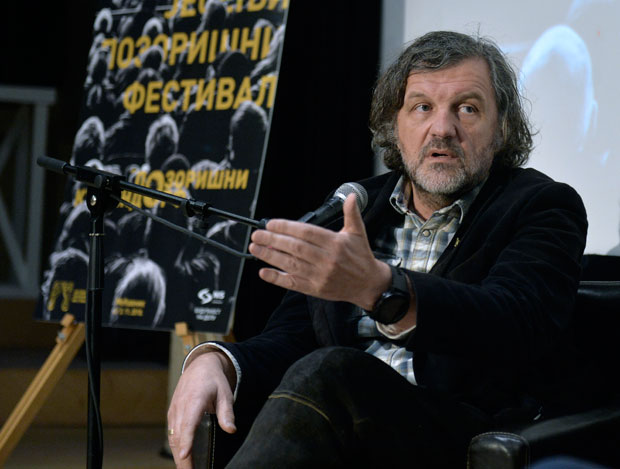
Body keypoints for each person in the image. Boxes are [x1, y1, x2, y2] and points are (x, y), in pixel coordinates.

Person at [167, 30, 588, 468]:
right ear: (395, 126)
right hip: (342, 434)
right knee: (314, 377)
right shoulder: (356, 208)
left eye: (467, 108)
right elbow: (293, 337)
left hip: (456, 436)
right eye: (422, 107)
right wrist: (218, 360)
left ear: (501, 129)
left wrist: (384, 291)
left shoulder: (542, 205)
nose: (442, 129)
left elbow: (515, 321)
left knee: (330, 372)